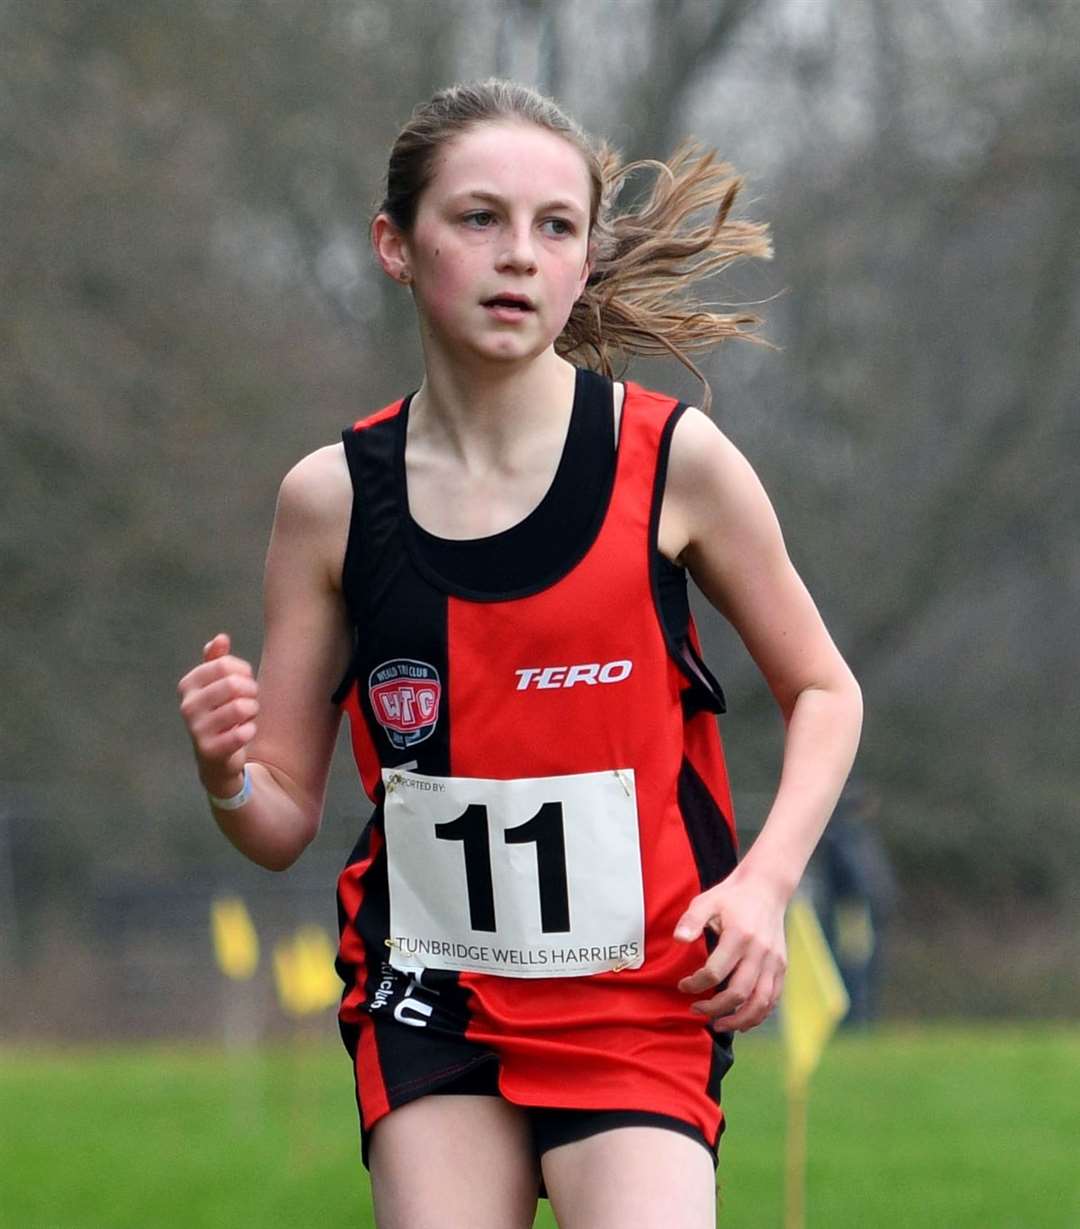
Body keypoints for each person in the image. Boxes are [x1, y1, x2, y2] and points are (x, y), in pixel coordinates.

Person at [177, 79, 862, 1229]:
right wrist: (223, 773)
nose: (518, 256)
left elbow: (824, 687)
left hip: (644, 988)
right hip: (427, 988)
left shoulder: (675, 463)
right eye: (478, 218)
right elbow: (282, 815)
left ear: (585, 261)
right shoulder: (330, 499)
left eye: (554, 227)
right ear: (397, 245)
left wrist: (764, 882)